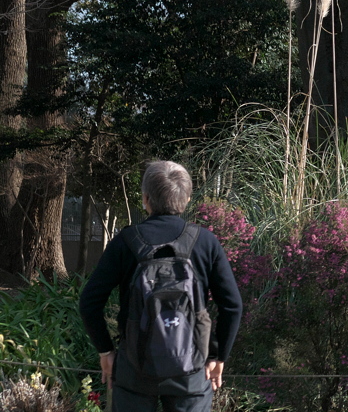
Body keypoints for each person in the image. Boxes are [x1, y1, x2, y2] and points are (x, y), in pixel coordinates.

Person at [80, 160, 243, 412]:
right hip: (192, 369)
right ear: (187, 199)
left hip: (134, 368)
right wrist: (218, 357)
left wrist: (106, 352)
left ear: (145, 199)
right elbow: (232, 306)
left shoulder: (125, 242)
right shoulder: (206, 242)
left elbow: (89, 302)